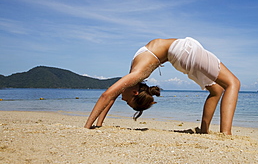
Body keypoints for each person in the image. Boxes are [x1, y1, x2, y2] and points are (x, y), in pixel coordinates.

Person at [84, 37, 240, 135]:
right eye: (125, 101)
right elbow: (110, 96)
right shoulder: (137, 75)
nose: (121, 98)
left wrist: (91, 126)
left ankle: (205, 131)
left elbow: (108, 96)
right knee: (233, 83)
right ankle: (225, 134)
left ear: (135, 93)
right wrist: (94, 126)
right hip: (183, 52)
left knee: (217, 89)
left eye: (126, 101)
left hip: (183, 52)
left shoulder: (135, 76)